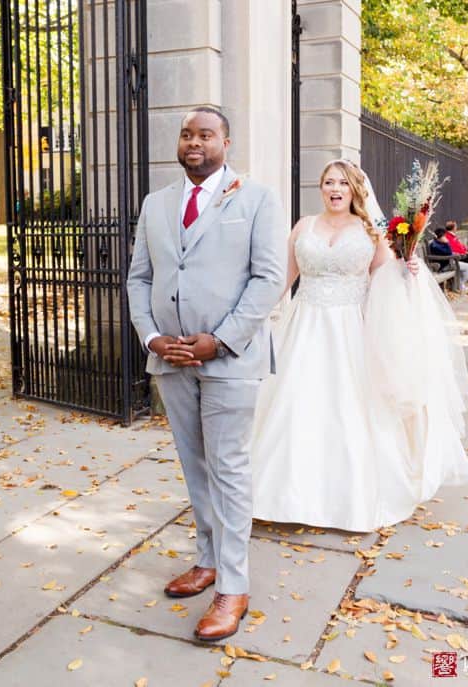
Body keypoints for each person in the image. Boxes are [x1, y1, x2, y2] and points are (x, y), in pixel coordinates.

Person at [126, 107, 286, 642]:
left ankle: (234, 586)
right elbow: (138, 279)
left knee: (229, 469)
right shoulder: (156, 203)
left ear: (226, 142)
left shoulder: (257, 198)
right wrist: (151, 337)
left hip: (230, 360)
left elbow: (268, 280)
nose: (194, 142)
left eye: (206, 134)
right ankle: (208, 558)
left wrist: (218, 341)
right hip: (169, 360)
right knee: (195, 466)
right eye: (187, 134)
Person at [251, 159, 468, 533]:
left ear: (355, 189)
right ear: (320, 188)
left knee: (348, 409)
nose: (334, 189)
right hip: (304, 327)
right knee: (296, 404)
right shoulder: (303, 227)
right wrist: (251, 317)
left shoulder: (372, 232)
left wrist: (409, 272)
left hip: (351, 331)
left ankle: (348, 498)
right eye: (327, 182)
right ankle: (280, 495)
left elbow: (388, 277)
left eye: (342, 183)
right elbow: (283, 279)